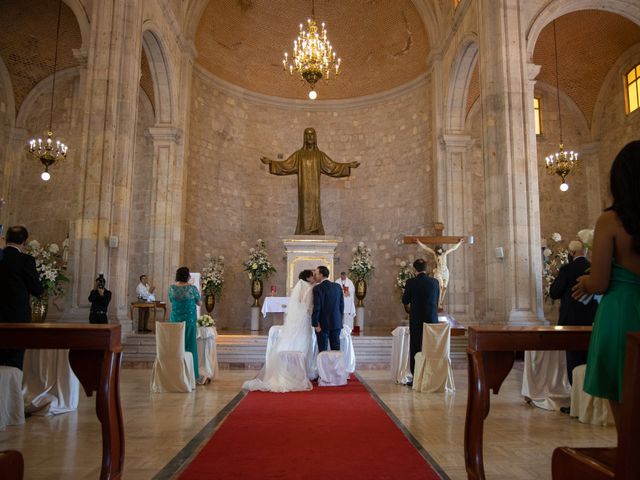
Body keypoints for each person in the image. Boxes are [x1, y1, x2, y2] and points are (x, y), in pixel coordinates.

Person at [572, 140, 640, 430]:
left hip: (622, 313)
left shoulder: (611, 221)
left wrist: (586, 281)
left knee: (626, 415)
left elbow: (600, 282)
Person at [261, 128, 360, 235]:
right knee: (304, 207)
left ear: (315, 137)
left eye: (312, 135)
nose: (310, 137)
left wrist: (347, 165)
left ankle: (315, 229)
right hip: (303, 189)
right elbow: (286, 165)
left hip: (314, 190)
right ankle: (304, 230)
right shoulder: (299, 154)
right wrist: (272, 163)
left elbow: (332, 166)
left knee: (314, 207)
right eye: (307, 135)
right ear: (304, 137)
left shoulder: (319, 155)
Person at [243, 270, 316, 392]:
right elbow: (308, 307)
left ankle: (289, 370)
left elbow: (297, 304)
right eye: (312, 276)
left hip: (297, 319)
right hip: (304, 319)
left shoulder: (299, 289)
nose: (314, 277)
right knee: (302, 343)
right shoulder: (309, 289)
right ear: (308, 278)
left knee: (293, 341)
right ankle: (298, 372)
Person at [549, 240, 598, 386]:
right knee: (590, 362)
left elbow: (554, 292)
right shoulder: (594, 268)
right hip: (593, 322)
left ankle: (575, 403)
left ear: (571, 253)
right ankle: (588, 400)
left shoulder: (566, 269)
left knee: (574, 364)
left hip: (571, 324)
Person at [0, 225, 45, 370]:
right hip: (17, 318)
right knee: (15, 360)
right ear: (24, 242)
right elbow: (37, 289)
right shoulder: (25, 260)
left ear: (6, 239)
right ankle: (11, 391)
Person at [402, 258, 439, 382]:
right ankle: (432, 376)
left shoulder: (411, 282)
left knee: (416, 347)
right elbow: (437, 300)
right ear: (426, 268)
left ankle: (417, 376)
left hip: (417, 320)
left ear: (414, 269)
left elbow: (405, 300)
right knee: (431, 347)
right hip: (432, 320)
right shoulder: (434, 282)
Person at [169, 267, 201, 382]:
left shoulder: (172, 288)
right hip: (189, 321)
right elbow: (199, 302)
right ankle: (191, 375)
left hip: (175, 322)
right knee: (190, 347)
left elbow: (172, 301)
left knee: (177, 346)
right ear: (187, 276)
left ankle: (176, 374)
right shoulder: (192, 289)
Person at [416, 238, 464, 310]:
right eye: (438, 252)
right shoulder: (435, 254)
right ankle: (438, 303)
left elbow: (453, 248)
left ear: (442, 250)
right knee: (440, 286)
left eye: (441, 252)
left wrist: (459, 243)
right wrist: (419, 242)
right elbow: (426, 248)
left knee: (444, 288)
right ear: (437, 252)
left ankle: (440, 302)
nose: (440, 253)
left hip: (445, 272)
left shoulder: (445, 253)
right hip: (439, 272)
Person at [312, 265, 344, 352]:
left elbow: (317, 307)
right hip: (336, 322)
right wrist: (339, 321)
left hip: (322, 324)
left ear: (321, 275)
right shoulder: (337, 287)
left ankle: (323, 366)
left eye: (316, 274)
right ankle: (335, 366)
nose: (315, 276)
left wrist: (315, 323)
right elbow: (341, 306)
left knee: (323, 351)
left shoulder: (317, 288)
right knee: (336, 351)